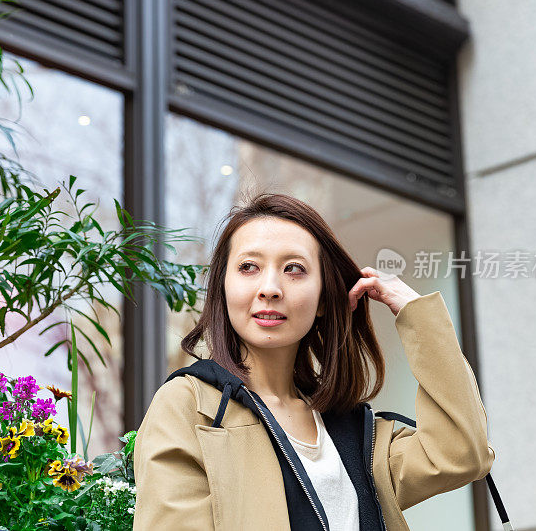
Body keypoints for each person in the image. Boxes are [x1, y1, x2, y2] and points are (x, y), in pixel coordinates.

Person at [132, 193, 495, 531]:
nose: (270, 287)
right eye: (248, 267)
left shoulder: (353, 432)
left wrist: (414, 312)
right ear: (223, 290)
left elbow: (463, 453)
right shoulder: (191, 407)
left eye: (294, 269)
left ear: (324, 299)